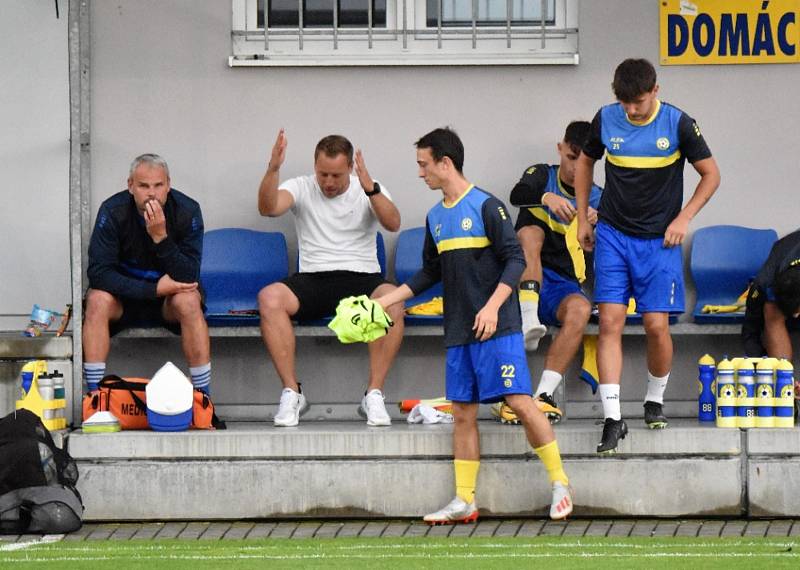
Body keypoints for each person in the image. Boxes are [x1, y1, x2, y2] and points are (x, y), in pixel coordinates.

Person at [376, 127, 573, 524]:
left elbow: (515, 259)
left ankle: (560, 485)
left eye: (423, 165)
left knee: (519, 401)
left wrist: (492, 308)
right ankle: (465, 500)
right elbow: (430, 272)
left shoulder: (487, 206)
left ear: (445, 163)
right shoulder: (435, 217)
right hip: (459, 331)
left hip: (496, 328)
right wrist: (385, 301)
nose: (420, 174)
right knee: (463, 412)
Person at [574, 58, 720, 454]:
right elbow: (586, 162)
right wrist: (583, 216)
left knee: (656, 324)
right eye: (624, 103)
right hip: (613, 235)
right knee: (610, 322)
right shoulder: (606, 119)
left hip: (660, 242)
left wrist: (684, 218)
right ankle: (612, 418)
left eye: (637, 102)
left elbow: (712, 174)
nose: (631, 110)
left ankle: (655, 397)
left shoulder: (679, 123)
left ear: (655, 91)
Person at [257, 130, 404, 427]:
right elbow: (268, 208)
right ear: (315, 167)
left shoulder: (369, 188)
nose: (328, 182)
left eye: (336, 175)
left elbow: (393, 223)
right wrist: (273, 169)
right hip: (314, 278)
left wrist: (371, 190)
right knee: (269, 298)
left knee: (394, 301)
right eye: (323, 174)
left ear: (350, 167)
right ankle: (292, 392)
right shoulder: (300, 186)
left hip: (362, 278)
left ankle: (374, 394)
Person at [493, 121, 603, 425]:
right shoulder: (542, 175)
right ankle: (529, 319)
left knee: (580, 308)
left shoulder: (596, 197)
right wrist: (546, 198)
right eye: (570, 157)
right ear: (560, 149)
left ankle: (543, 396)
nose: (574, 167)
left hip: (563, 284)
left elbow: (604, 250)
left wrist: (596, 223)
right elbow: (518, 194)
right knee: (529, 233)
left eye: (582, 161)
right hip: (519, 284)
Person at [84, 154, 212, 395]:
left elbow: (189, 275)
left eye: (158, 185)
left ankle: (203, 397)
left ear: (168, 185)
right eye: (143, 186)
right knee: (97, 299)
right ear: (130, 185)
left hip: (168, 302)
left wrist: (161, 238)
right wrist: (153, 289)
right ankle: (95, 397)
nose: (151, 193)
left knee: (189, 300)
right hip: (123, 300)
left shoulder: (187, 210)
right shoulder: (113, 211)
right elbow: (99, 274)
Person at [743, 230, 800, 369]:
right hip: (784, 263)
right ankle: (783, 382)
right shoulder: (765, 282)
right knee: (771, 310)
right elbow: (751, 329)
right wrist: (758, 366)